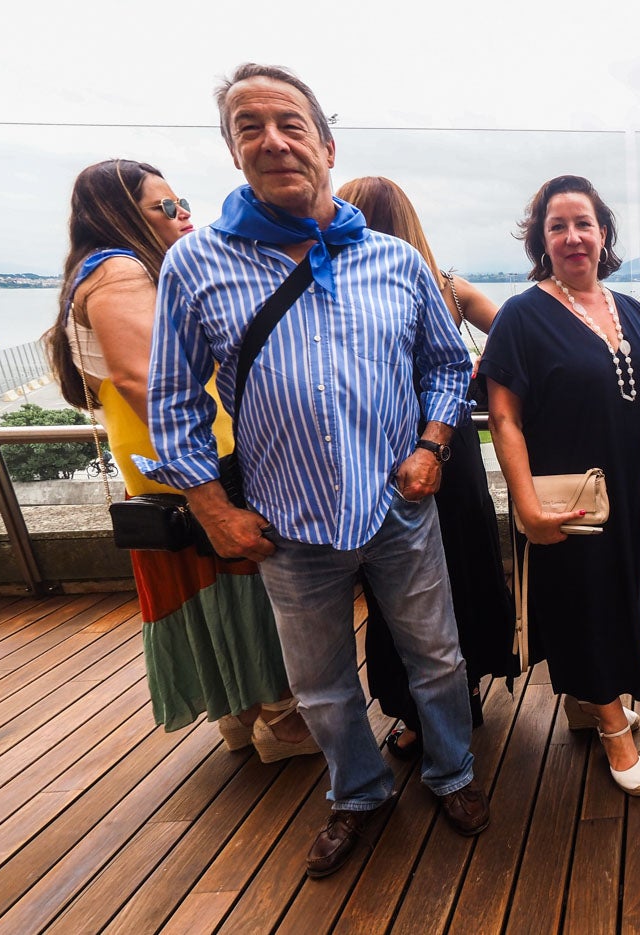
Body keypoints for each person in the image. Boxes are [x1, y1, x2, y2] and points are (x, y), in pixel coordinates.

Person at [138, 64, 488, 879]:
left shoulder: (395, 262)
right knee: (320, 682)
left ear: (326, 144)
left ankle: (453, 772)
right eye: (250, 127)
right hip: (285, 523)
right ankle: (358, 792)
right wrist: (215, 511)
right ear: (232, 152)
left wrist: (431, 446)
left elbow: (446, 366)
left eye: (290, 124)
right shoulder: (198, 265)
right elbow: (172, 403)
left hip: (397, 507)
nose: (273, 141)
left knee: (436, 656)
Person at [44, 158, 318, 763]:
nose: (183, 214)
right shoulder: (121, 271)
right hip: (195, 462)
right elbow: (148, 382)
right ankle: (280, 718)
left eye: (181, 202)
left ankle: (241, 716)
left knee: (204, 593)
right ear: (120, 216)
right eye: (163, 208)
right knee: (243, 582)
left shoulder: (98, 274)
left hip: (157, 467)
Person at [481, 174, 640, 796]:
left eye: (582, 223)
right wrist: (525, 505)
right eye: (556, 226)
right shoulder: (521, 316)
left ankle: (587, 701)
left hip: (626, 483)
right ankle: (611, 720)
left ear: (604, 232)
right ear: (541, 240)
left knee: (618, 595)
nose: (572, 236)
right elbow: (504, 417)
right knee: (584, 599)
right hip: (568, 490)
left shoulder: (631, 309)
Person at [335, 175, 515, 754]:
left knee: (393, 593)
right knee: (461, 570)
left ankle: (415, 712)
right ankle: (467, 690)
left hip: (381, 456)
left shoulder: (338, 282)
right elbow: (514, 336)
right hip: (451, 450)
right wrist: (479, 370)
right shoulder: (447, 286)